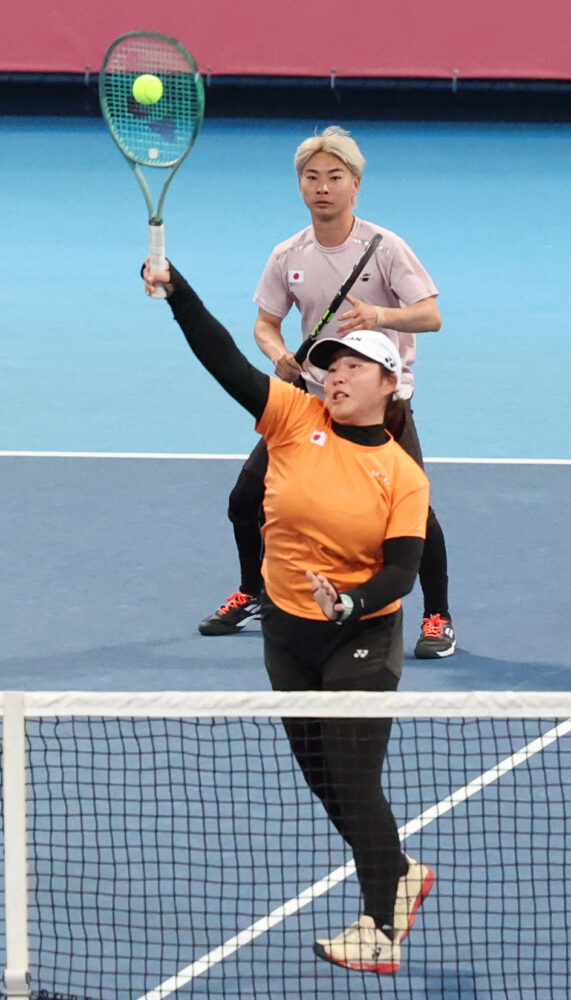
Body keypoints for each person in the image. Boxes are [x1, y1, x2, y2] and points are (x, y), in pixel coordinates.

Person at [143, 256, 435, 973]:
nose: (335, 375)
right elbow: (224, 360)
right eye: (330, 364)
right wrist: (178, 292)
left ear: (389, 383)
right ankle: (400, 870)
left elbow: (402, 569)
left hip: (361, 638)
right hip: (287, 633)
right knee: (323, 778)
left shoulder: (402, 475)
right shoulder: (293, 417)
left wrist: (353, 602)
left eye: (354, 366)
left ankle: (379, 927)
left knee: (354, 779)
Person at [198, 126, 456, 660]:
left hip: (381, 405)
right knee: (245, 501)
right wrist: (278, 355)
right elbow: (265, 324)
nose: (323, 187)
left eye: (335, 177)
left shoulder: (385, 248)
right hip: (314, 405)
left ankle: (438, 617)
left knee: (415, 517)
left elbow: (430, 315)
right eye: (312, 177)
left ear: (355, 185)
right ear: (300, 185)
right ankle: (254, 590)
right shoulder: (287, 253)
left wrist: (380, 315)